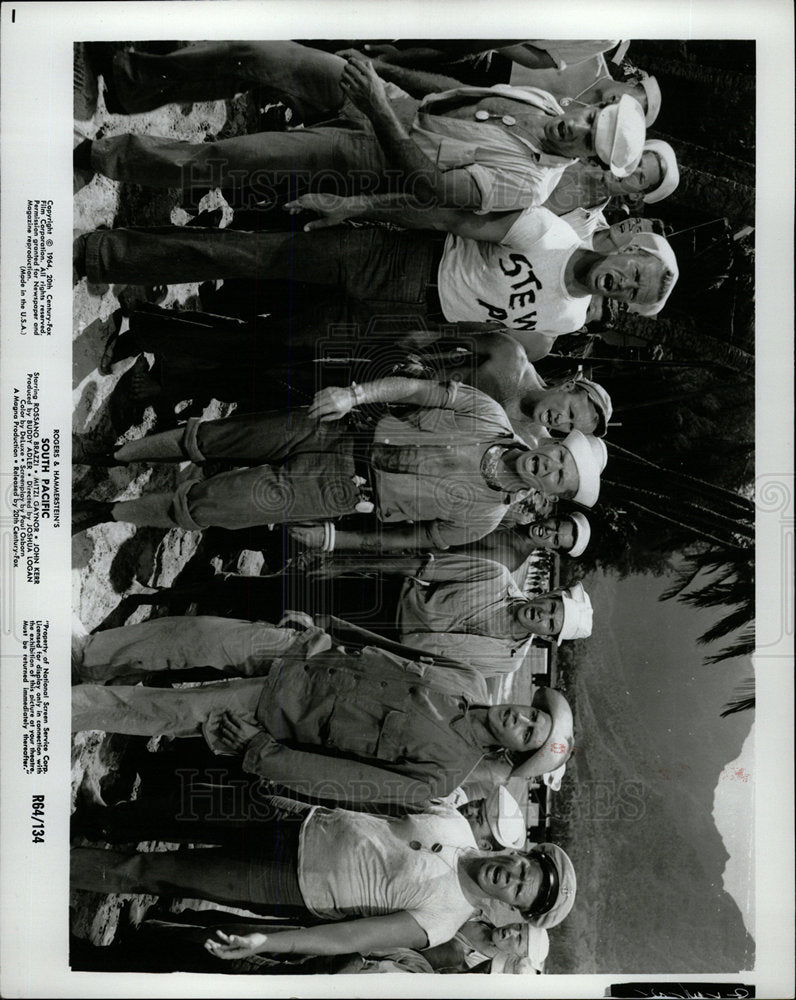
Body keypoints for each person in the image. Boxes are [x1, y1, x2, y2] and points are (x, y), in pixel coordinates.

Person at [72, 200, 677, 360]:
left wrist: (427, 341)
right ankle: (111, 255)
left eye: (632, 295)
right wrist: (354, 209)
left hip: (408, 320)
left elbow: (491, 334)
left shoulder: (569, 321)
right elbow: (450, 218)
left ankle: (151, 328)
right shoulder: (548, 231)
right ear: (627, 246)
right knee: (253, 256)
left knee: (283, 339)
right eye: (634, 271)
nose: (621, 284)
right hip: (402, 259)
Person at [77, 47, 645, 213]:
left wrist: (375, 107)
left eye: (588, 139)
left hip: (366, 154)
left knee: (230, 156)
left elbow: (425, 185)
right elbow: (445, 89)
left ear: (590, 164)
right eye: (592, 117)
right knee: (258, 54)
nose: (577, 126)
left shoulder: (527, 186)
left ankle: (108, 157)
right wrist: (385, 74)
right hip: (387, 101)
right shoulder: (544, 98)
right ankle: (135, 80)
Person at [72, 622, 576, 809]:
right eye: (533, 715)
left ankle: (60, 708)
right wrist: (321, 634)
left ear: (514, 750)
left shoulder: (440, 779)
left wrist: (258, 750)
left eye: (530, 734)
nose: (522, 720)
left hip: (277, 712)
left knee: (166, 710)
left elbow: (337, 780)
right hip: (303, 653)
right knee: (191, 636)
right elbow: (390, 655)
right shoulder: (466, 681)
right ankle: (86, 653)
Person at [72, 379, 607, 544]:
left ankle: (101, 514)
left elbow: (410, 541)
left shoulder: (484, 517)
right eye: (558, 457)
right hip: (338, 429)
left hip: (339, 493)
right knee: (219, 437)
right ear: (550, 443)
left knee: (212, 505)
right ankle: (111, 454)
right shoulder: (487, 411)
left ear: (551, 495)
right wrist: (356, 394)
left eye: (560, 479)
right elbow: (419, 389)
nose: (548, 468)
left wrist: (337, 540)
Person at [70, 801, 577, 959]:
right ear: (520, 852)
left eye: (517, 890)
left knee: (153, 873)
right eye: (522, 868)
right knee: (172, 813)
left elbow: (346, 937)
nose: (509, 876)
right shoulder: (457, 823)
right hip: (296, 820)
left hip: (288, 883)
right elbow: (373, 798)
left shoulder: (442, 923)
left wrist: (268, 940)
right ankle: (92, 818)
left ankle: (48, 865)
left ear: (510, 908)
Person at [395, 553, 594, 675]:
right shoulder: (497, 576)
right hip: (389, 600)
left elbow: (450, 674)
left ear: (546, 636)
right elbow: (422, 567)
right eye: (551, 608)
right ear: (548, 595)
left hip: (392, 651)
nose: (542, 615)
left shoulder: (510, 662)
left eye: (550, 625)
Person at [544, 138, 680, 220]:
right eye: (637, 163)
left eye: (640, 177)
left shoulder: (587, 223)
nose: (630, 171)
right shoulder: (569, 153)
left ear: (635, 195)